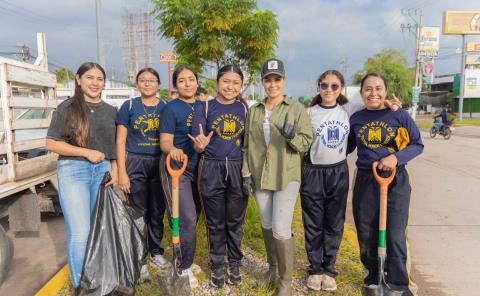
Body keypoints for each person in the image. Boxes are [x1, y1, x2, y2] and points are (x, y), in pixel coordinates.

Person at [242, 58, 313, 296]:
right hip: (260, 175)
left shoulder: (296, 109)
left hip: (285, 175)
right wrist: (246, 172)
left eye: (277, 79)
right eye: (268, 79)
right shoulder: (254, 110)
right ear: (262, 82)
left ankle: (285, 283)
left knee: (281, 230)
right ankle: (272, 268)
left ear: (284, 81)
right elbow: (247, 145)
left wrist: (291, 136)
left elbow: (305, 142)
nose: (272, 84)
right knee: (266, 223)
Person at [348, 73, 424, 296]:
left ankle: (400, 284)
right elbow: (347, 147)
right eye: (368, 89)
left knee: (395, 234)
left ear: (385, 90)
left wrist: (396, 158)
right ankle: (375, 277)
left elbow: (417, 144)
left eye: (378, 88)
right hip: (366, 179)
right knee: (366, 231)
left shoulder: (398, 115)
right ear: (361, 93)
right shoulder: (356, 118)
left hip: (395, 179)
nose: (374, 93)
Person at [46, 62, 118, 288]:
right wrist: (86, 152)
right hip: (74, 170)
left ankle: (98, 280)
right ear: (78, 79)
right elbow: (51, 143)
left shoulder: (110, 110)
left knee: (99, 229)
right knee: (81, 232)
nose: (95, 83)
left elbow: (114, 147)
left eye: (99, 78)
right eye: (90, 77)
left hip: (103, 172)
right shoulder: (67, 107)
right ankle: (81, 286)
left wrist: (114, 172)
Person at [189, 65, 248, 288]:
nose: (230, 86)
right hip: (211, 168)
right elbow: (197, 143)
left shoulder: (244, 108)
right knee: (215, 222)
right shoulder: (204, 106)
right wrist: (200, 145)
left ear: (241, 86)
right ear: (217, 83)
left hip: (236, 167)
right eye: (226, 81)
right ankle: (216, 264)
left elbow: (248, 142)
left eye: (235, 82)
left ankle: (233, 262)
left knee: (235, 221)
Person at [115, 68, 169, 278]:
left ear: (158, 84)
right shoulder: (128, 106)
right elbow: (120, 141)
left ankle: (156, 251)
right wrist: (122, 173)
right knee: (139, 213)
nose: (147, 84)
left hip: (159, 162)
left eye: (152, 80)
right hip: (136, 161)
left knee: (157, 211)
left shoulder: (166, 107)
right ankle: (140, 258)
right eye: (143, 81)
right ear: (137, 84)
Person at [300, 70, 351, 291]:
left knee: (334, 223)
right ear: (318, 87)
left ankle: (329, 269)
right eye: (324, 85)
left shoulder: (349, 110)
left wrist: (392, 106)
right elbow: (301, 144)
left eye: (334, 86)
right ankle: (315, 268)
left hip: (338, 172)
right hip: (313, 172)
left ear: (341, 88)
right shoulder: (308, 112)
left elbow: (373, 109)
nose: (329, 90)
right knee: (313, 223)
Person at [159, 65, 202, 288]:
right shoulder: (171, 108)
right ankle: (183, 267)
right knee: (186, 218)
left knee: (195, 217)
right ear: (176, 85)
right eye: (182, 80)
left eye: (191, 79)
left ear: (197, 82)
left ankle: (188, 258)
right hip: (176, 168)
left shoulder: (203, 106)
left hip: (198, 169)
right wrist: (172, 149)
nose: (187, 84)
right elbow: (165, 141)